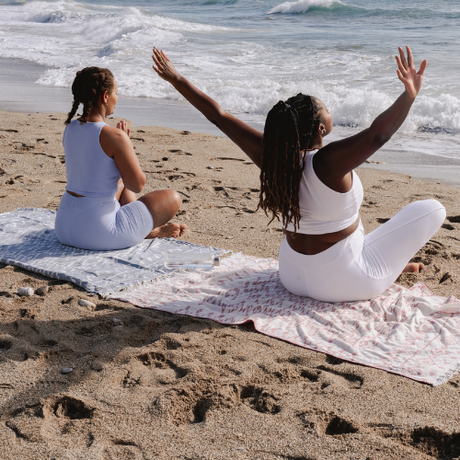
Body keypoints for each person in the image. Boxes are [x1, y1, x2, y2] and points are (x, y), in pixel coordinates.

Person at [152, 46, 446, 302]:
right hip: (343, 280)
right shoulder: (328, 162)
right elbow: (376, 136)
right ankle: (382, 270)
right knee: (433, 209)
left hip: (291, 275)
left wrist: (177, 79)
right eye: (326, 109)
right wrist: (409, 96)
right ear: (321, 129)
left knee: (353, 231)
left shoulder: (273, 158)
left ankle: (386, 267)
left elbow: (219, 116)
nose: (329, 111)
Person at [55, 66, 186, 251]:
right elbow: (137, 184)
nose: (117, 98)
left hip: (64, 228)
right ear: (105, 96)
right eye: (116, 93)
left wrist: (119, 150)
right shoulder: (114, 136)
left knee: (119, 187)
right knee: (172, 198)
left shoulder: (71, 128)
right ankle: (146, 231)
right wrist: (125, 147)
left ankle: (141, 229)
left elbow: (96, 175)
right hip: (99, 234)